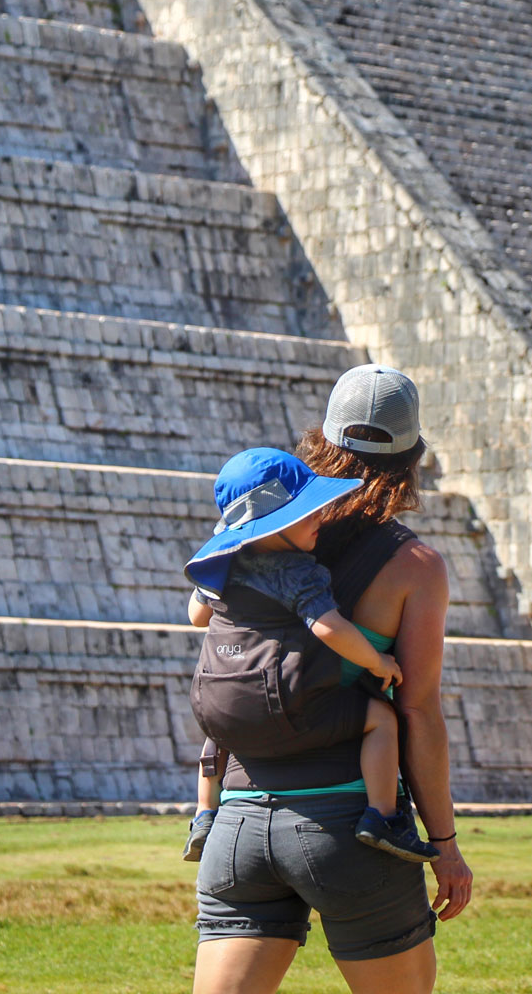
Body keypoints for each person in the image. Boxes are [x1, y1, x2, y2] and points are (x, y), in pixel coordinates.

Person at [191, 364, 472, 994]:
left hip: (236, 823)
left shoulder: (252, 538)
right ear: (413, 457)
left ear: (319, 441)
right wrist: (445, 846)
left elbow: (210, 617)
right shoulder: (414, 566)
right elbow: (417, 711)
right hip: (346, 826)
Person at [182, 447, 438, 864]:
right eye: (307, 513)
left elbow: (196, 615)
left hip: (216, 700)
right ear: (274, 526)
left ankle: (205, 815)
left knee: (221, 725)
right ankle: (382, 816)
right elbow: (328, 627)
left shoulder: (222, 563)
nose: (320, 517)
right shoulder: (298, 571)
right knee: (381, 720)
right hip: (282, 702)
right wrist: (378, 663)